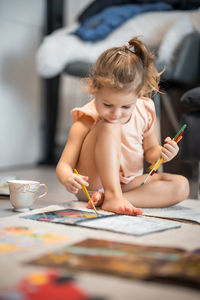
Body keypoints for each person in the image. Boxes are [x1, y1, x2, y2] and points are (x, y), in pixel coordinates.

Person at [56, 37, 189, 216]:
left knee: (181, 186)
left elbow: (151, 151)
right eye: (108, 105)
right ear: (93, 89)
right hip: (93, 184)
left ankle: (109, 199)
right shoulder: (87, 118)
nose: (116, 114)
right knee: (110, 126)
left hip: (127, 184)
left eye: (126, 107)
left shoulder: (145, 110)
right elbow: (64, 164)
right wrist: (67, 178)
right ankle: (111, 195)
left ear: (139, 94)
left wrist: (164, 153)